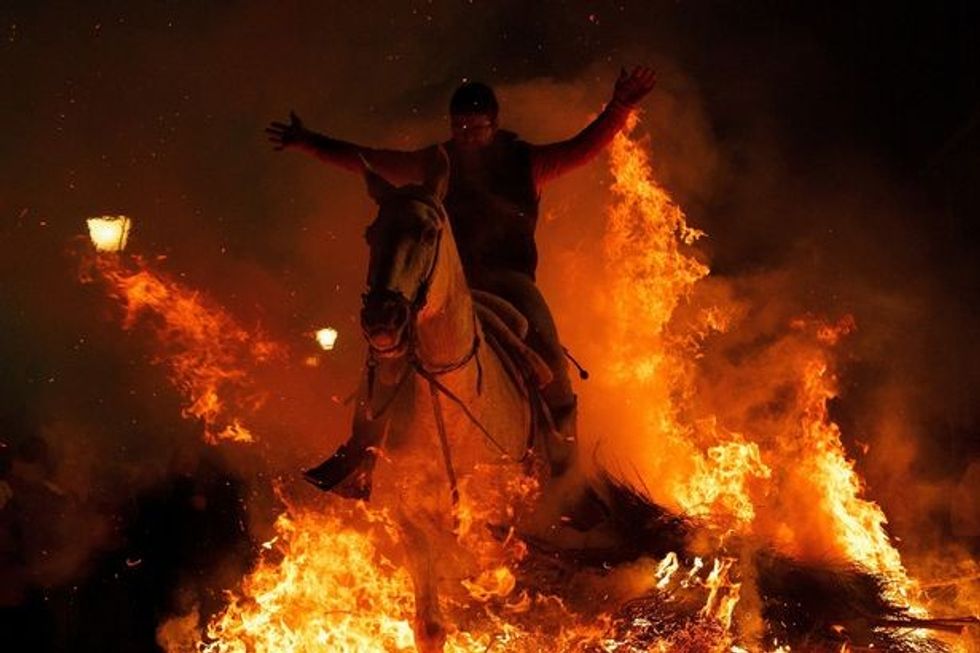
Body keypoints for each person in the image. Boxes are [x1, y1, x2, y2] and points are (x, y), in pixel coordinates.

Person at [268, 66, 655, 493]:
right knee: (385, 346)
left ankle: (567, 475)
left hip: (511, 284)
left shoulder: (527, 163)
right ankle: (360, 452)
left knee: (552, 363)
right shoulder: (435, 165)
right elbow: (369, 159)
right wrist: (309, 142)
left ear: (495, 123)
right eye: (461, 127)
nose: (468, 134)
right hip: (447, 288)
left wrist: (619, 108)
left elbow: (582, 148)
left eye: (477, 127)